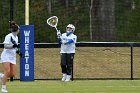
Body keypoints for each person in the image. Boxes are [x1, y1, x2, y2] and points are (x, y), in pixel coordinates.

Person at [0, 21, 21, 92]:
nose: (19, 31)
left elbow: (15, 47)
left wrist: (19, 52)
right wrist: (12, 45)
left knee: (13, 74)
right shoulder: (8, 36)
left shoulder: (16, 37)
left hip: (12, 57)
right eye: (19, 29)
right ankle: (3, 88)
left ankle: (2, 76)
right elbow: (5, 46)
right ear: (17, 30)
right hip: (6, 56)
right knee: (7, 71)